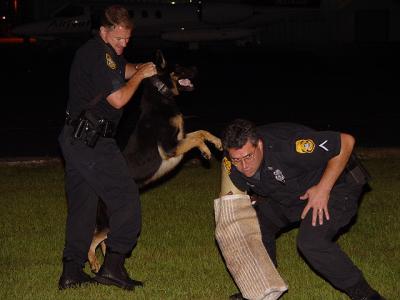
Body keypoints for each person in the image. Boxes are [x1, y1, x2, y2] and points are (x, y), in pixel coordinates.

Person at [221, 119, 384, 300]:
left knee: (312, 242)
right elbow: (232, 195)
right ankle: (262, 288)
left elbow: (346, 142)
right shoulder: (232, 163)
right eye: (236, 160)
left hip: (338, 184)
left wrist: (323, 189)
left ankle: (366, 295)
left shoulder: (287, 148)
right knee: (253, 226)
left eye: (248, 157)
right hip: (295, 191)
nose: (244, 166)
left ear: (259, 145)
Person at [57, 5, 157, 290]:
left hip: (75, 138)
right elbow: (118, 100)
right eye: (118, 39)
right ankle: (113, 266)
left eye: (128, 39)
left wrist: (141, 68)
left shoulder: (100, 52)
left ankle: (72, 271)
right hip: (92, 141)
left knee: (83, 205)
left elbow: (120, 67)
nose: (123, 44)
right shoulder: (100, 53)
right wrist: (139, 77)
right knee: (125, 197)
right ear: (103, 31)